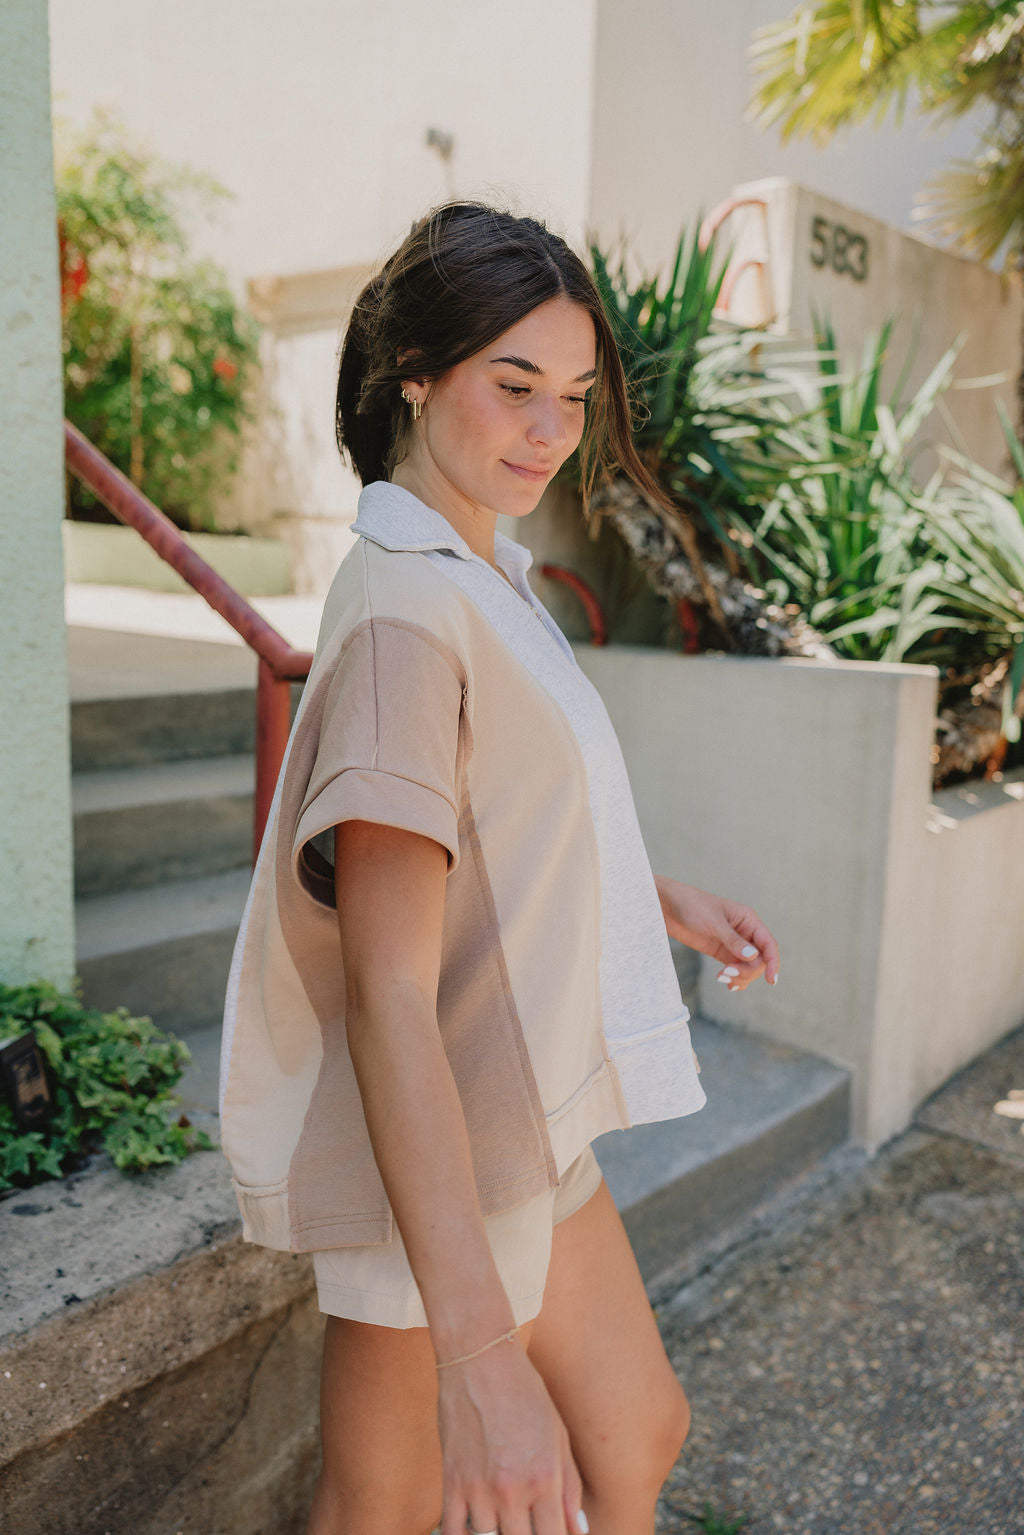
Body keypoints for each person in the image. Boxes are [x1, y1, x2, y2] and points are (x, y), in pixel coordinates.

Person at [219, 200, 780, 1535]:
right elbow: (391, 989)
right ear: (415, 375)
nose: (548, 431)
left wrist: (654, 899)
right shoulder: (408, 614)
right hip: (444, 1158)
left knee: (637, 1434)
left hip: (520, 1117)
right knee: (386, 1513)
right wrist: (478, 1362)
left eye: (574, 398)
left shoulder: (479, 569)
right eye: (514, 386)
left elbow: (496, 823)